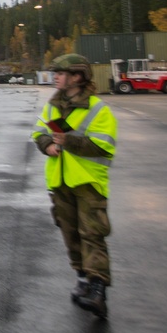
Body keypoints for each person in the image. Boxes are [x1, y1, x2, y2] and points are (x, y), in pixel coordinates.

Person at [31, 53, 116, 319]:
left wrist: (68, 143)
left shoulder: (97, 109)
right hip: (60, 182)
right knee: (71, 233)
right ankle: (82, 279)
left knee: (92, 234)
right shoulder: (53, 106)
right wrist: (49, 145)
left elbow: (105, 146)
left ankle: (98, 289)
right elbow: (38, 132)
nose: (55, 76)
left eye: (60, 72)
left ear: (77, 77)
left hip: (88, 183)